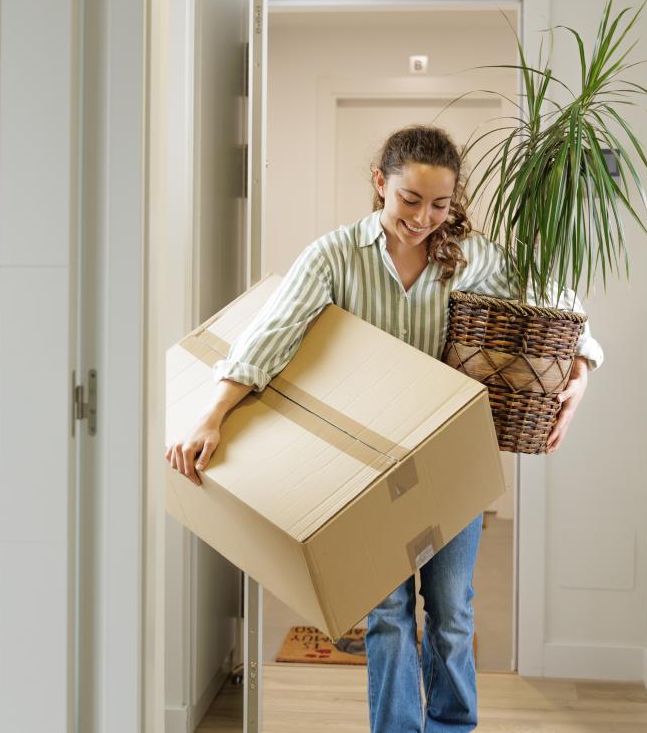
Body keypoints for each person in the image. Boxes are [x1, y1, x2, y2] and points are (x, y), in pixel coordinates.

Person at [166, 124, 604, 732]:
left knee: (451, 612)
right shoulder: (334, 255)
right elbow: (271, 333)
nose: (425, 217)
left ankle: (452, 727)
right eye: (410, 200)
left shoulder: (472, 255)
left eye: (441, 204)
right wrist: (212, 414)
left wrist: (580, 371)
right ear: (380, 184)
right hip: (368, 475)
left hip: (451, 465)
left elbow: (558, 305)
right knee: (388, 614)